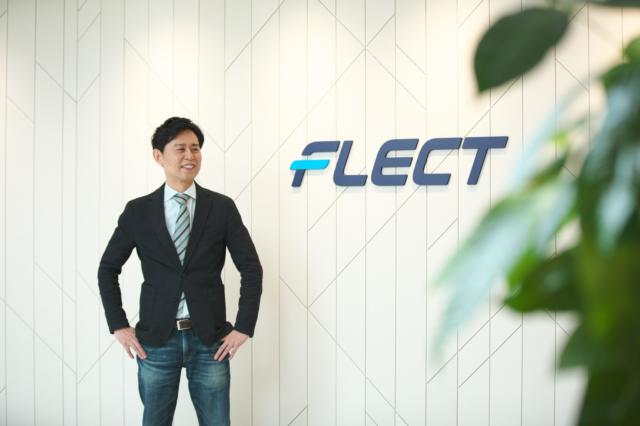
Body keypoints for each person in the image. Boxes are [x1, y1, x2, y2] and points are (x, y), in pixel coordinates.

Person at [97, 117, 262, 425]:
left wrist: (244, 327)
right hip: (156, 341)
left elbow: (251, 268)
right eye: (181, 148)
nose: (190, 156)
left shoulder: (222, 207)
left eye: (195, 148)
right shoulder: (138, 211)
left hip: (210, 340)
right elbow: (108, 269)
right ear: (158, 156)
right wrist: (118, 324)